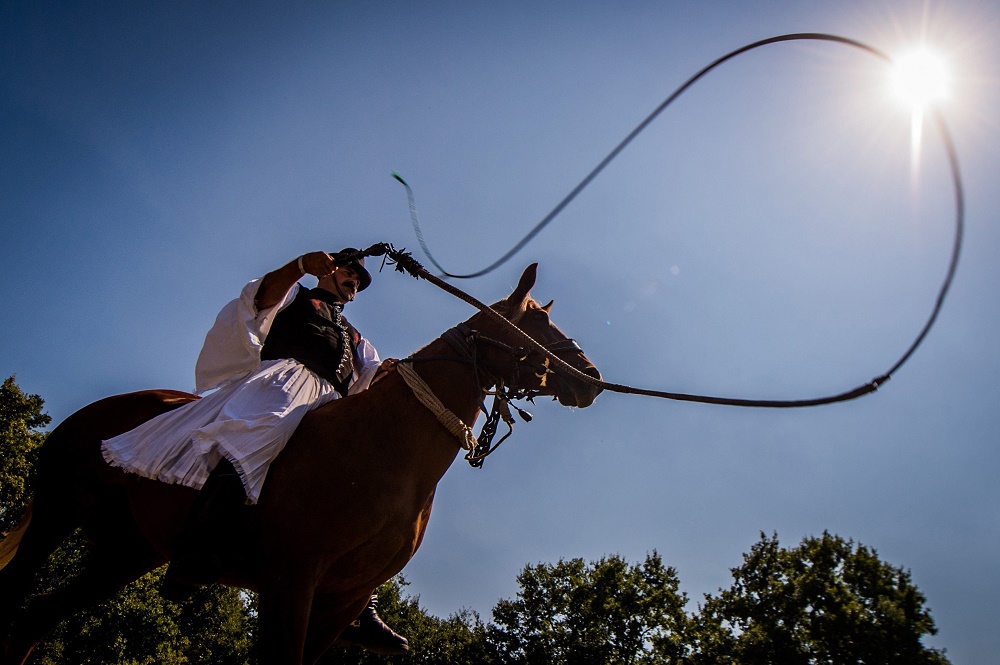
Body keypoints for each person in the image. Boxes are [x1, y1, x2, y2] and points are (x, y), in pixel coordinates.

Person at [101, 248, 408, 654]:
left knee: (361, 486)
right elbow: (259, 298)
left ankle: (360, 606)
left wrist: (387, 372)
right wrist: (300, 266)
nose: (354, 282)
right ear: (330, 270)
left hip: (330, 403)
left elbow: (366, 381)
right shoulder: (297, 296)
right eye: (349, 273)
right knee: (258, 433)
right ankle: (195, 551)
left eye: (358, 279)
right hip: (284, 385)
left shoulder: (356, 337)